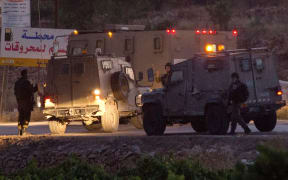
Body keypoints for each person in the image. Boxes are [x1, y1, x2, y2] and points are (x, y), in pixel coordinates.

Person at [14, 69, 38, 136]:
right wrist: (36, 87)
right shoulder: (26, 82)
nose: (27, 75)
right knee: (27, 115)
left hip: (19, 102)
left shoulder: (17, 83)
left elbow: (15, 92)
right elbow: (31, 90)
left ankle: (20, 130)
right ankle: (24, 129)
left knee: (21, 115)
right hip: (26, 102)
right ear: (25, 74)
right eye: (26, 74)